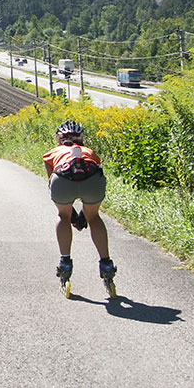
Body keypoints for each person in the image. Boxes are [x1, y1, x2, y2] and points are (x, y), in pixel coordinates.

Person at [42, 120, 116, 284]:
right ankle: (106, 264)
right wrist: (84, 214)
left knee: (63, 216)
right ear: (81, 138)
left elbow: (51, 179)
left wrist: (72, 215)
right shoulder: (88, 151)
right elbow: (95, 166)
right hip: (92, 179)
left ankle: (65, 263)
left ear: (60, 138)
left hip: (62, 178)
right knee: (94, 217)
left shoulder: (53, 152)